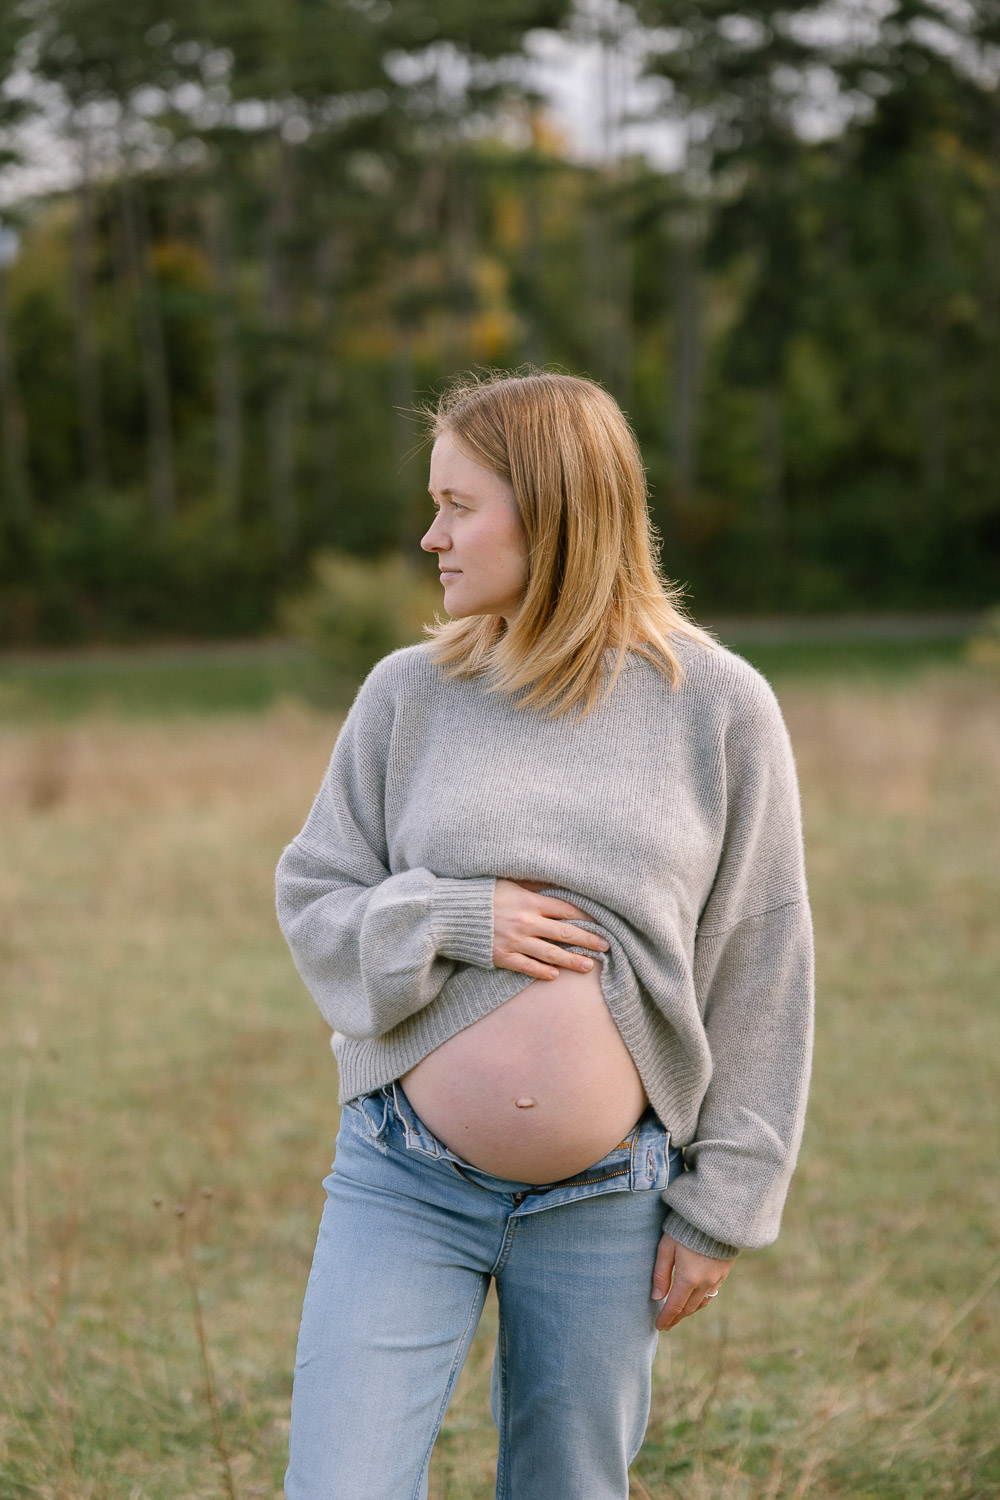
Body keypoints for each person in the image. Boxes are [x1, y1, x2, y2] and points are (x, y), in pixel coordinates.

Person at [275, 371, 813, 1500]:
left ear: (554, 506)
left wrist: (722, 1209)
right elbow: (315, 895)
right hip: (402, 1179)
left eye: (457, 505)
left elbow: (764, 961)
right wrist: (453, 916)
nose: (431, 535)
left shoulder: (716, 706)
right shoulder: (406, 695)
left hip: (611, 1202)